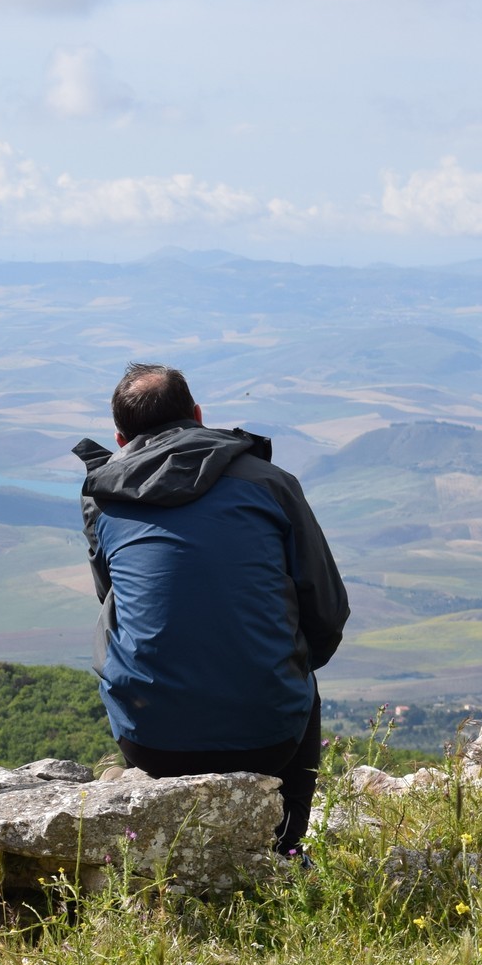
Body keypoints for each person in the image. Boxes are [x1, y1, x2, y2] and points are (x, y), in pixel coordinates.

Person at [74, 363, 348, 854]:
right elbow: (326, 612)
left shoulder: (104, 498)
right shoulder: (270, 483)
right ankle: (284, 850)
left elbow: (111, 595)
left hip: (149, 737)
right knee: (301, 679)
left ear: (120, 439)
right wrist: (282, 667)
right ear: (198, 415)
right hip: (270, 735)